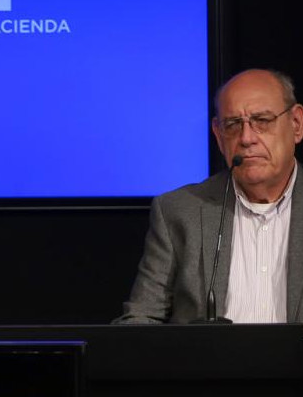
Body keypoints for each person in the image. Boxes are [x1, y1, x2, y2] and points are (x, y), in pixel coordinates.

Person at [117, 68, 303, 323]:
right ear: (218, 135)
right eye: (233, 125)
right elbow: (140, 319)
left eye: (262, 120)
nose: (247, 138)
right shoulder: (179, 211)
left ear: (296, 124)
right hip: (206, 364)